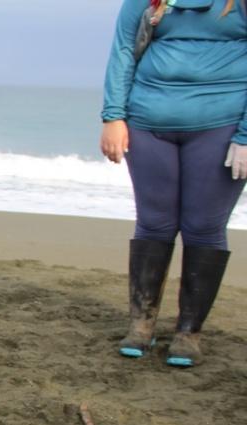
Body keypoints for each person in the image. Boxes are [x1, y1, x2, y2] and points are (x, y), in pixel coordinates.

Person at [101, 0, 247, 367]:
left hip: (222, 124)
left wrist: (245, 136)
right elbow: (122, 49)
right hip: (148, 120)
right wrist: (113, 116)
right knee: (154, 222)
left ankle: (188, 333)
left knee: (203, 227)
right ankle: (141, 325)